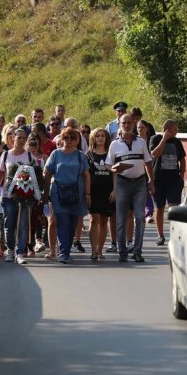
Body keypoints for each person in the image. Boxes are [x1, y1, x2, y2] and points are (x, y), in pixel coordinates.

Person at [106, 113, 154, 263]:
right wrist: (115, 169)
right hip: (122, 182)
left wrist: (151, 180)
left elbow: (148, 162)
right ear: (120, 124)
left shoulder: (141, 142)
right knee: (120, 219)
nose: (127, 125)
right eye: (124, 123)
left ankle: (138, 251)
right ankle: (122, 251)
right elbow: (108, 164)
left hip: (139, 182)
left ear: (134, 124)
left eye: (129, 123)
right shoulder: (114, 144)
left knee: (139, 217)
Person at [0, 128, 43, 264]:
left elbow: (36, 176)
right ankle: (10, 249)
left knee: (22, 224)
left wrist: (35, 193)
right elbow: (0, 174)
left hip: (25, 197)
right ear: (13, 138)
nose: (21, 140)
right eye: (18, 137)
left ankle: (19, 252)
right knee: (9, 224)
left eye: (23, 138)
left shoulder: (29, 157)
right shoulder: (5, 155)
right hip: (8, 195)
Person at [42, 126, 90, 264]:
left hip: (76, 193)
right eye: (66, 137)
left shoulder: (81, 155)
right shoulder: (56, 154)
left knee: (72, 224)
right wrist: (46, 193)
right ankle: (63, 253)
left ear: (77, 140)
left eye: (72, 138)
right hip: (59, 193)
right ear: (61, 139)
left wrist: (87, 193)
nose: (69, 140)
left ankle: (66, 250)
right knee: (62, 222)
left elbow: (87, 175)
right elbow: (47, 172)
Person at [149, 119, 186, 245]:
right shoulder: (155, 139)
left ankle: (175, 234)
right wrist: (164, 140)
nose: (177, 131)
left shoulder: (177, 142)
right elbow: (154, 154)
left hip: (173, 180)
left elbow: (182, 158)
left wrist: (182, 174)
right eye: (176, 129)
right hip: (158, 180)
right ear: (168, 129)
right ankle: (160, 235)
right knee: (159, 208)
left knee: (173, 208)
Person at [86, 128, 114, 260]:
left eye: (103, 136)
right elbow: (85, 175)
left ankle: (100, 250)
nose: (100, 138)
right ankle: (93, 251)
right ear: (93, 138)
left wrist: (115, 190)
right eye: (97, 136)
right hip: (93, 192)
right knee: (94, 219)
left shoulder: (110, 154)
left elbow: (115, 173)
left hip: (107, 192)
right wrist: (87, 193)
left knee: (104, 221)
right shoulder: (88, 155)